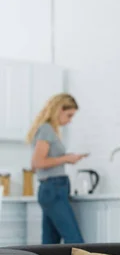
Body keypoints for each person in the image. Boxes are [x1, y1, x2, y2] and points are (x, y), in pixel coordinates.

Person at [26, 93, 87, 244]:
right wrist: (66, 158)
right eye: (69, 115)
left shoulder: (48, 130)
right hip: (53, 189)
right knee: (75, 241)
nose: (70, 120)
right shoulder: (46, 129)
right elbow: (37, 163)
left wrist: (66, 158)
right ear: (59, 109)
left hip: (53, 188)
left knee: (50, 244)